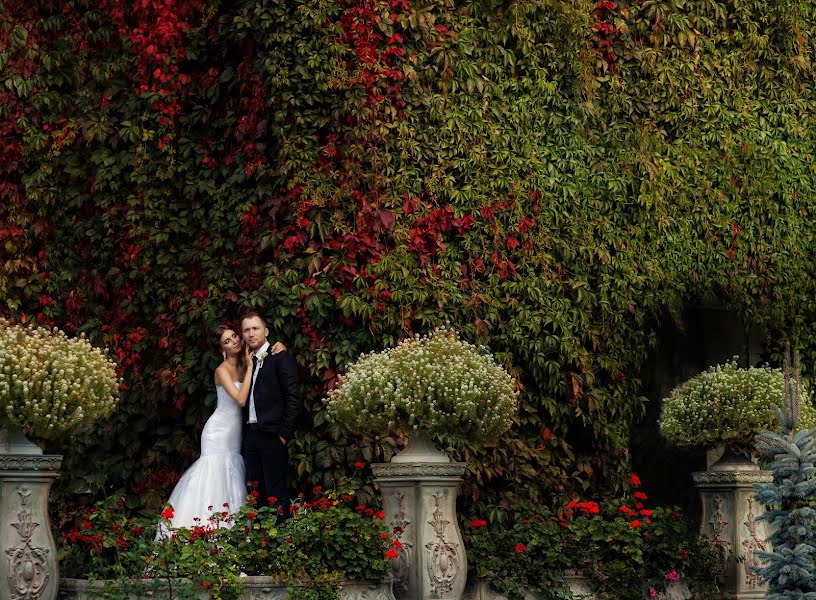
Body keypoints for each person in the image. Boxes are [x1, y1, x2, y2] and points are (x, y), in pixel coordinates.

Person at [157, 325, 284, 535]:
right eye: (227, 341)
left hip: (236, 434)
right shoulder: (222, 370)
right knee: (215, 478)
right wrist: (251, 366)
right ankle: (203, 533)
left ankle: (232, 536)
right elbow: (241, 399)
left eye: (234, 336)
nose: (234, 341)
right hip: (218, 433)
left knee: (232, 478)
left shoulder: (245, 362)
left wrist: (279, 347)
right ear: (220, 348)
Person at [240, 311, 300, 512]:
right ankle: (260, 541)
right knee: (255, 495)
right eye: (246, 330)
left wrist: (283, 434)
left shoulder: (280, 357)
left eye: (255, 328)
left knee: (276, 493)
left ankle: (281, 541)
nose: (251, 334)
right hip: (251, 436)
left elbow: (293, 396)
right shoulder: (247, 362)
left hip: (272, 435)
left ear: (266, 331)